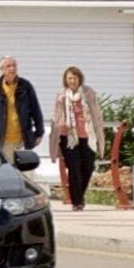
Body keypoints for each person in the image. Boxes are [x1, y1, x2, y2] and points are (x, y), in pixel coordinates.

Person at [53, 66, 104, 211]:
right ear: (65, 80)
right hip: (69, 137)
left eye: (74, 78)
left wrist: (99, 131)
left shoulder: (89, 93)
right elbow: (56, 116)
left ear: (79, 79)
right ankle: (77, 202)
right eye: (69, 78)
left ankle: (79, 196)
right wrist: (59, 126)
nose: (72, 81)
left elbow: (97, 114)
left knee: (88, 167)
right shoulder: (62, 95)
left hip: (87, 136)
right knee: (74, 168)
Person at [0, 56, 46, 160]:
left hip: (22, 140)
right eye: (8, 66)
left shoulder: (25, 86)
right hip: (2, 141)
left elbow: (36, 110)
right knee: (4, 173)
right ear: (2, 69)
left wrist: (39, 133)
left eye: (14, 65)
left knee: (24, 173)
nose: (12, 68)